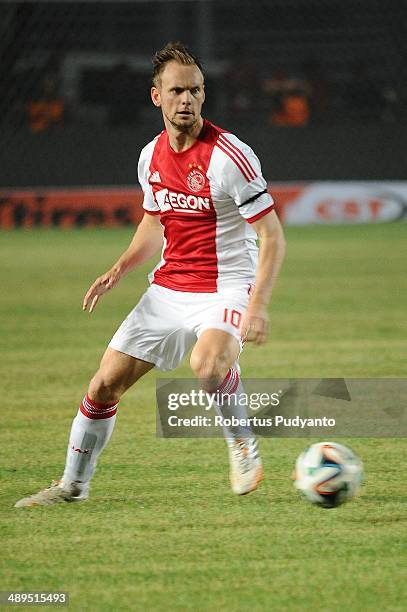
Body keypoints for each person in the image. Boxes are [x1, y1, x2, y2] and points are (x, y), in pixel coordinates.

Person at [15, 42, 286, 507]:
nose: (188, 100)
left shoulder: (229, 157)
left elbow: (273, 236)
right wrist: (118, 268)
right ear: (156, 96)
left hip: (225, 286)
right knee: (103, 386)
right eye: (178, 90)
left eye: (196, 91)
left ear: (204, 95)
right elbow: (154, 221)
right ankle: (71, 487)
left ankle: (242, 444)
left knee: (207, 364)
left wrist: (257, 304)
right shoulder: (150, 157)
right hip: (166, 290)